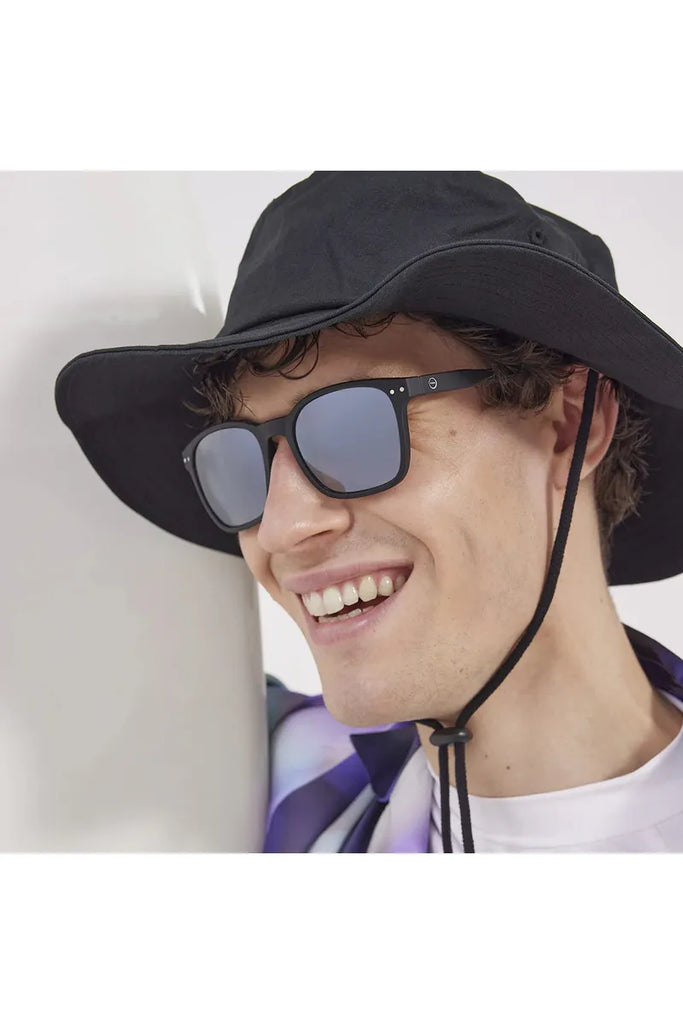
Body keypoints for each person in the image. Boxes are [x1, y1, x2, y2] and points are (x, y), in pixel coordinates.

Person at [54, 171, 683, 852]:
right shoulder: (235, 780)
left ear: (567, 426)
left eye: (355, 428)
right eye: (243, 459)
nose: (281, 527)